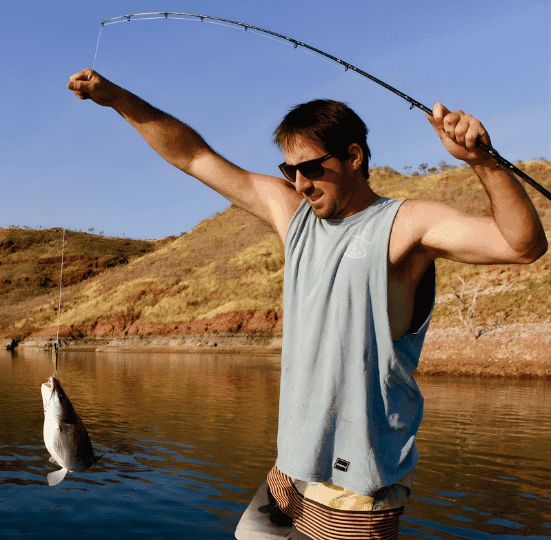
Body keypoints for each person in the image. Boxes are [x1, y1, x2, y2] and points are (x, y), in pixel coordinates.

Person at [67, 68, 547, 539]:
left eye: (312, 168)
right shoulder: (294, 216)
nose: (300, 183)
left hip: (355, 492)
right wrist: (117, 99)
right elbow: (193, 156)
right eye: (289, 171)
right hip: (290, 469)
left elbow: (521, 245)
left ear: (354, 156)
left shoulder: (406, 224)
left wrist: (483, 163)